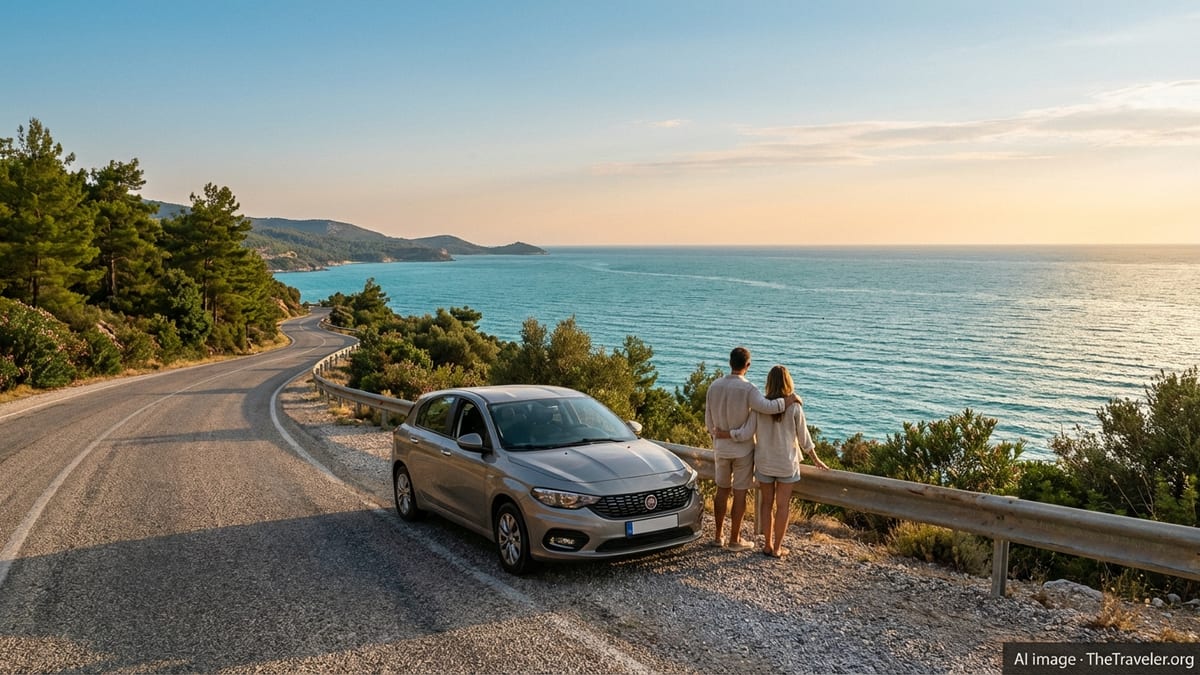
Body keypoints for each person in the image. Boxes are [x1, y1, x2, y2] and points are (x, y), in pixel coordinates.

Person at [704, 347, 799, 552]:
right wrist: (789, 400)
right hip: (742, 451)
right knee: (739, 493)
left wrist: (717, 434)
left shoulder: (714, 386)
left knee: (721, 490)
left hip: (721, 448)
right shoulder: (749, 390)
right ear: (747, 365)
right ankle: (734, 539)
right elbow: (768, 407)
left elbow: (708, 419)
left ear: (730, 362)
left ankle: (718, 535)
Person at [730, 364, 829, 558]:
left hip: (764, 462)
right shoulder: (794, 406)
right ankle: (777, 548)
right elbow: (804, 438)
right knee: (783, 506)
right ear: (787, 382)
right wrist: (816, 459)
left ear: (769, 383)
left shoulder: (760, 407)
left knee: (766, 504)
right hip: (786, 463)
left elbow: (748, 431)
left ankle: (766, 545)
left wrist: (728, 434)